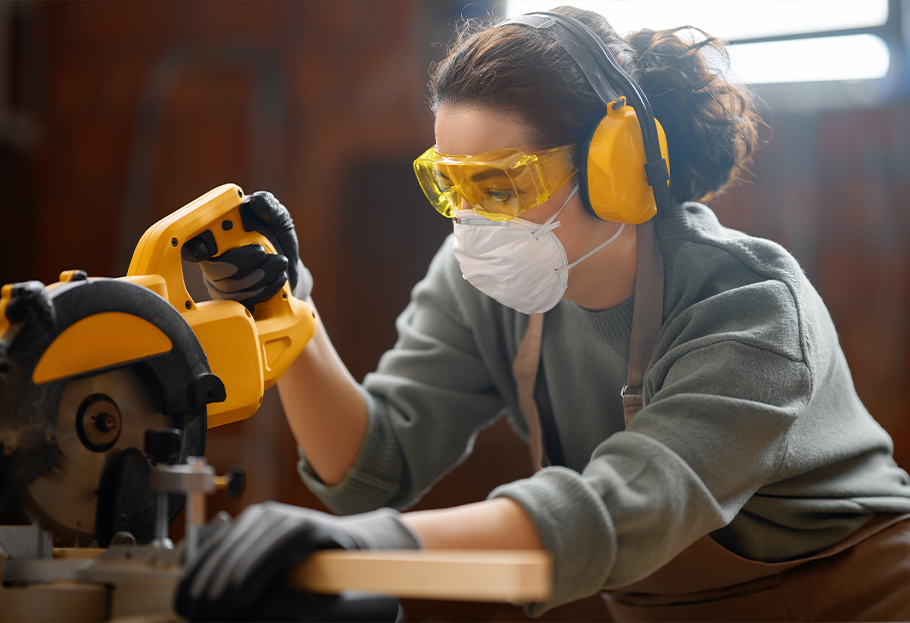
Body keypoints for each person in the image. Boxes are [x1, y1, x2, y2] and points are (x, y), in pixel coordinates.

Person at [176, 6, 910, 622]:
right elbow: (372, 466)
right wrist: (285, 311)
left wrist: (368, 547)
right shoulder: (485, 280)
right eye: (452, 187)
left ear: (612, 171)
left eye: (499, 186)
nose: (472, 223)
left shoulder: (752, 312)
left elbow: (615, 510)